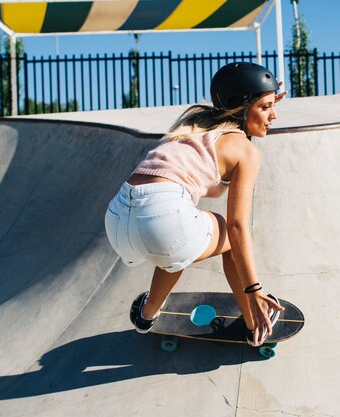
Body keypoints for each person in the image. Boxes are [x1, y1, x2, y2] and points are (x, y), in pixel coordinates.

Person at [104, 62, 286, 347]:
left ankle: (147, 314)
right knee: (224, 232)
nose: (274, 115)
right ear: (241, 108)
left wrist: (265, 99)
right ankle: (254, 323)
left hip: (117, 218)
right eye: (265, 107)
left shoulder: (198, 127)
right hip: (164, 218)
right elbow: (238, 226)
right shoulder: (245, 151)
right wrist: (254, 289)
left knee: (181, 239)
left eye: (273, 105)